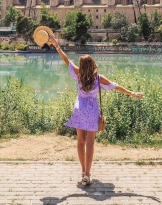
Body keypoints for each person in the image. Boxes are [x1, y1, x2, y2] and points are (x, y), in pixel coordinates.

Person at [48, 36, 143, 186]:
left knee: (80, 141)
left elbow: (66, 60)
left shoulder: (78, 74)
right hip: (92, 111)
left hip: (80, 108)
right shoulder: (98, 78)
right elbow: (116, 86)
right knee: (90, 143)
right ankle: (87, 174)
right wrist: (132, 93)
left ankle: (82, 171)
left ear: (81, 65)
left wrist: (57, 46)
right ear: (92, 64)